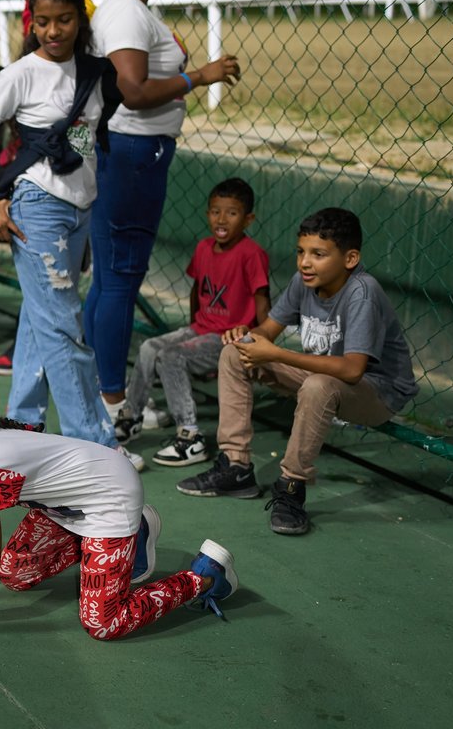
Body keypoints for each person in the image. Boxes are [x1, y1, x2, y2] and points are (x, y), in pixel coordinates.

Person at [0, 373, 239, 636]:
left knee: (103, 623)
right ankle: (134, 536)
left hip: (110, 496)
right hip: (67, 506)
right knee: (16, 574)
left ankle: (205, 576)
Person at [0, 0, 143, 469]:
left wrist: (193, 75)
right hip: (36, 207)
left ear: (81, 19)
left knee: (43, 321)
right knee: (64, 327)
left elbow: (126, 105)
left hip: (78, 208)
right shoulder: (18, 74)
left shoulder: (97, 72)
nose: (53, 30)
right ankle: (95, 445)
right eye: (42, 21)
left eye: (64, 20)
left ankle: (20, 428)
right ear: (31, 21)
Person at [85, 0, 241, 430]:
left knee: (108, 281)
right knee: (120, 284)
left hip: (126, 151)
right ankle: (113, 404)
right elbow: (133, 89)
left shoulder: (125, 8)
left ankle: (96, 391)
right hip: (133, 153)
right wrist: (200, 76)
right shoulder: (127, 12)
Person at [177, 208, 418, 536]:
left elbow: (351, 370)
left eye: (318, 254)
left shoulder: (363, 292)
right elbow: (268, 332)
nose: (305, 262)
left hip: (376, 392)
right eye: (301, 252)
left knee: (320, 386)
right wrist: (246, 336)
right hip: (323, 378)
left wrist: (275, 353)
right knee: (235, 354)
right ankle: (235, 467)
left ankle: (291, 487)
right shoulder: (304, 282)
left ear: (350, 258)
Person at [116, 178, 269, 467]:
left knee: (172, 356)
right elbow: (196, 291)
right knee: (149, 347)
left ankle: (190, 435)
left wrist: (262, 345)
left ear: (248, 219)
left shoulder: (252, 254)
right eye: (215, 211)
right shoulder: (203, 247)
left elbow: (263, 300)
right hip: (201, 328)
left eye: (232, 213)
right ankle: (131, 416)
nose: (221, 219)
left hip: (230, 337)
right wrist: (190, 329)